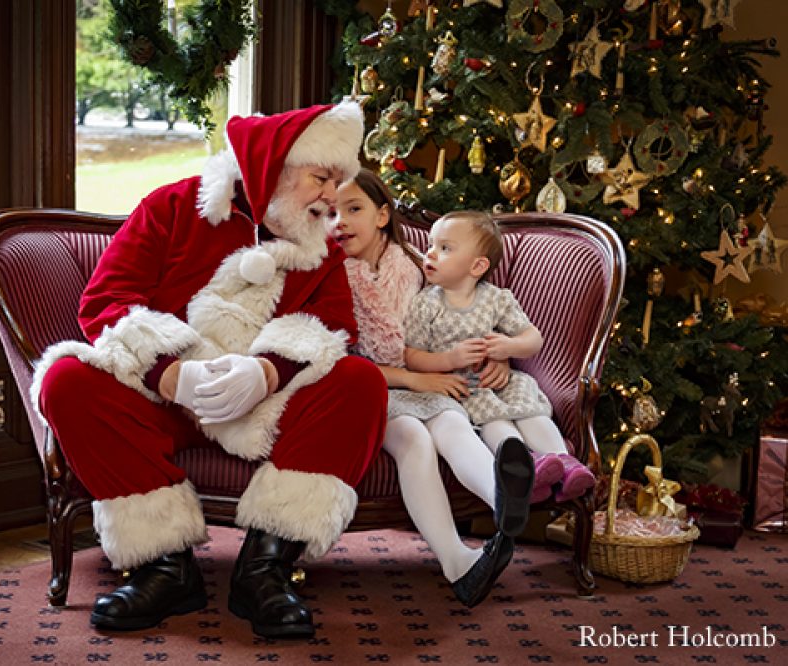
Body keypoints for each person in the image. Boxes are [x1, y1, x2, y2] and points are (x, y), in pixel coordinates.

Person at [33, 102, 387, 639]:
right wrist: (173, 374)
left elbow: (335, 326)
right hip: (163, 403)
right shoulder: (170, 208)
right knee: (67, 382)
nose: (332, 197)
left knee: (361, 383)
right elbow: (106, 300)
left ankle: (265, 568)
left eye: (338, 181)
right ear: (276, 168)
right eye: (321, 177)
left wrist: (266, 373)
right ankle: (164, 565)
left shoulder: (320, 244)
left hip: (267, 411)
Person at [330, 170, 534, 608]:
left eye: (353, 209)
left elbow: (463, 311)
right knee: (415, 439)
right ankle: (457, 561)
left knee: (452, 424)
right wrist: (415, 378)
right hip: (367, 388)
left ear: (383, 215)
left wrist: (495, 353)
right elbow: (338, 360)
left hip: (430, 380)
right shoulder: (330, 275)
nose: (339, 222)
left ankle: (503, 496)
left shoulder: (413, 266)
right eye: (330, 213)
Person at [404, 210, 595, 504]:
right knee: (495, 424)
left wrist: (507, 347)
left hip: (502, 382)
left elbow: (533, 339)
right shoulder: (425, 304)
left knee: (532, 412)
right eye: (431, 244)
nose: (430, 253)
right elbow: (411, 356)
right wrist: (449, 360)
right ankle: (526, 469)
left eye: (445, 248)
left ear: (477, 265)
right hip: (464, 389)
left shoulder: (496, 298)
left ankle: (565, 465)